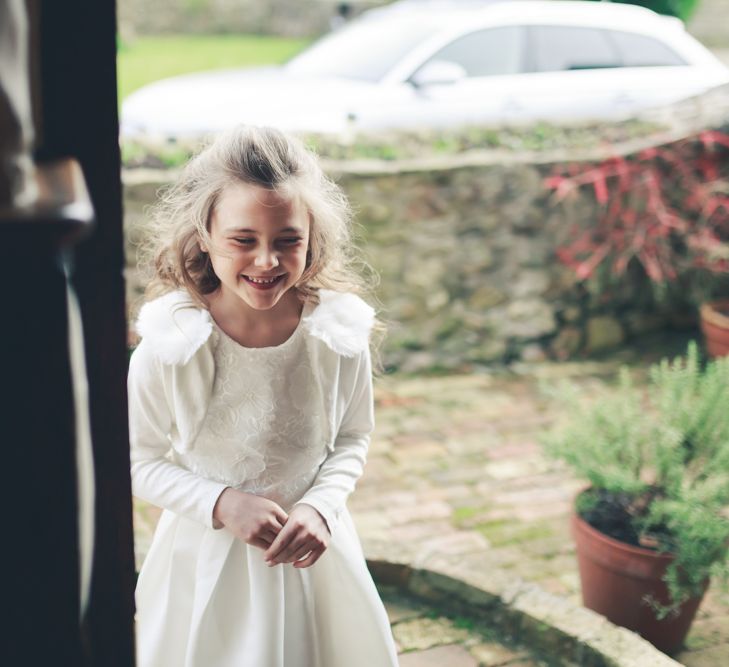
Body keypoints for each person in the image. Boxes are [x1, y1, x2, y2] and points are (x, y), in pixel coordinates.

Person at [128, 125, 399, 667]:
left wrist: (321, 509)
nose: (267, 261)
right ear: (204, 233)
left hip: (311, 557)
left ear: (311, 236)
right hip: (205, 560)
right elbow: (137, 458)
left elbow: (352, 437)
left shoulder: (337, 335)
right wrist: (222, 504)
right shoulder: (172, 343)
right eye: (243, 240)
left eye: (287, 240)